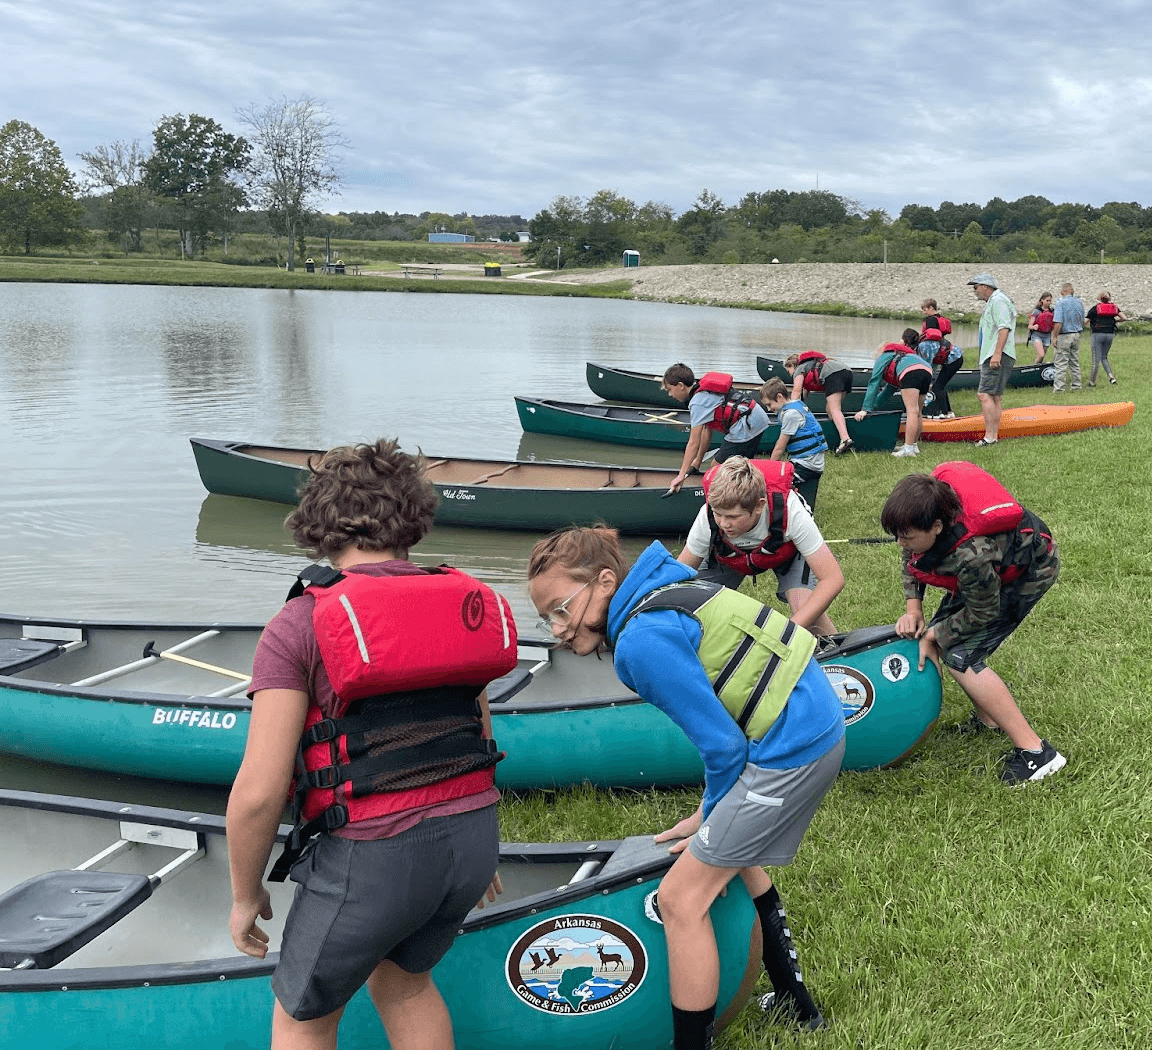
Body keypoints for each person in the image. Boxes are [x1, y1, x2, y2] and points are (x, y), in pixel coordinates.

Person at [226, 440, 513, 1050]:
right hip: (470, 838)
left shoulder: (299, 624)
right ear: (412, 516)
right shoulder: (455, 604)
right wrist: (480, 846)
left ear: (318, 521)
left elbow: (259, 791)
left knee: (302, 1020)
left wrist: (245, 895)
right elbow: (478, 736)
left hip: (374, 855)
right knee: (405, 982)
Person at [526, 525, 843, 1048]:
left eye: (561, 608)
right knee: (735, 852)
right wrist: (711, 816)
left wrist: (712, 814)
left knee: (680, 900)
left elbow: (722, 749)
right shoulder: (665, 587)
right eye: (546, 618)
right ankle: (795, 1001)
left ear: (606, 582)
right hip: (814, 717)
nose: (557, 628)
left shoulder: (640, 643)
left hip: (792, 747)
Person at [880, 462, 1067, 787]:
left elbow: (984, 610)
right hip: (987, 576)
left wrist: (937, 632)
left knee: (960, 656)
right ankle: (989, 719)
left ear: (936, 527)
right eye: (897, 535)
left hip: (1028, 571)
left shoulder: (970, 555)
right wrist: (915, 609)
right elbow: (912, 557)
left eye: (906, 536)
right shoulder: (920, 522)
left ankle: (1038, 754)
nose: (900, 543)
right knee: (945, 643)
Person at [677, 454, 843, 636]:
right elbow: (678, 576)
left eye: (733, 517)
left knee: (807, 611)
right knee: (686, 606)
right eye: (718, 514)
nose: (723, 524)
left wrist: (788, 633)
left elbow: (833, 579)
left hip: (784, 552)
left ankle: (837, 655)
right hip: (728, 556)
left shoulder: (791, 510)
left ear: (759, 506)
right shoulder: (708, 516)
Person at [663, 363, 771, 494]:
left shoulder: (697, 402)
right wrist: (697, 461)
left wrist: (681, 475)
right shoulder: (701, 391)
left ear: (680, 386)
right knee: (739, 465)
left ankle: (735, 495)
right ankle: (749, 487)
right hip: (755, 417)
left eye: (669, 389)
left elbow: (693, 442)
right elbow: (706, 431)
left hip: (746, 425)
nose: (669, 394)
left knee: (716, 469)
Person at [855, 328, 933, 458]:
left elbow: (874, 382)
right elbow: (888, 390)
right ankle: (913, 445)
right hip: (926, 370)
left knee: (911, 411)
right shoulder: (905, 356)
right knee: (918, 412)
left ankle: (908, 450)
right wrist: (872, 408)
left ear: (881, 351)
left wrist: (864, 409)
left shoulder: (885, 356)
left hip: (911, 372)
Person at [759, 378, 827, 513]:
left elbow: (780, 446)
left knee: (775, 482)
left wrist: (770, 469)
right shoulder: (797, 404)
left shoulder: (791, 414)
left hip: (807, 465)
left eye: (769, 404)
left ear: (779, 397)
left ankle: (800, 511)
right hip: (810, 461)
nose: (769, 409)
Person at [967, 272, 1017, 447]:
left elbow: (1004, 328)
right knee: (995, 396)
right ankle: (993, 436)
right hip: (998, 353)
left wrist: (996, 354)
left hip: (997, 354)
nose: (975, 291)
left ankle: (989, 437)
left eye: (976, 287)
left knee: (984, 394)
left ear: (986, 286)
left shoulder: (998, 301)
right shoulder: (995, 301)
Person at [783, 351, 855, 453]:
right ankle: (837, 435)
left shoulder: (799, 369)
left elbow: (796, 391)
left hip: (834, 374)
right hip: (847, 372)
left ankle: (845, 439)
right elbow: (804, 393)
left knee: (835, 409)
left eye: (788, 370)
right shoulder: (811, 365)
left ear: (791, 365)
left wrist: (788, 410)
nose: (789, 373)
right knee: (830, 410)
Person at [917, 300, 965, 418]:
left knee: (938, 387)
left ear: (931, 308)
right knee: (940, 386)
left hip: (953, 359)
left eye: (924, 309)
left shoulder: (931, 321)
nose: (923, 312)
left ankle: (945, 414)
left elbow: (929, 356)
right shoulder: (939, 318)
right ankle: (949, 412)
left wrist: (927, 379)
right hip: (953, 356)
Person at [1051, 283, 1086, 393]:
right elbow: (1082, 320)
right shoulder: (1079, 303)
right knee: (1074, 361)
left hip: (1065, 334)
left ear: (1062, 292)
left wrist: (1055, 336)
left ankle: (1059, 388)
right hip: (1076, 333)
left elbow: (1058, 322)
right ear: (1072, 291)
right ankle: (1076, 385)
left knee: (1061, 362)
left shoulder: (1060, 303)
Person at [1086, 292, 1123, 386]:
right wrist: (1115, 321)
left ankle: (1092, 382)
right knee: (1104, 357)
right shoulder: (1114, 307)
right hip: (1110, 334)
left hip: (1097, 334)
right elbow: (1124, 318)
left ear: (1099, 299)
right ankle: (1111, 377)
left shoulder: (1095, 308)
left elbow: (1086, 321)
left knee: (1096, 359)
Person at [1026, 293, 1055, 364]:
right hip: (1037, 334)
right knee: (1041, 355)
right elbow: (1029, 326)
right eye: (1047, 300)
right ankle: (1033, 369)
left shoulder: (1052, 311)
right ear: (1042, 300)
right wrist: (1033, 327)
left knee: (1042, 358)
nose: (1048, 302)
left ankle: (1037, 370)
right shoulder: (1037, 311)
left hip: (1047, 335)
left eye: (1050, 301)